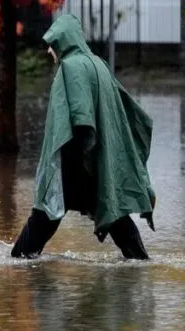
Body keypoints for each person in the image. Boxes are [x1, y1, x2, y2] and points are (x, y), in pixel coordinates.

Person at [11, 14, 156, 260]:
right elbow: (124, 108)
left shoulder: (71, 68)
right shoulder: (98, 63)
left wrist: (79, 156)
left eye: (53, 43)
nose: (49, 51)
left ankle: (18, 262)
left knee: (47, 210)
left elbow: (81, 115)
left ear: (63, 41)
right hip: (97, 155)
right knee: (112, 210)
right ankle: (140, 262)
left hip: (76, 155)